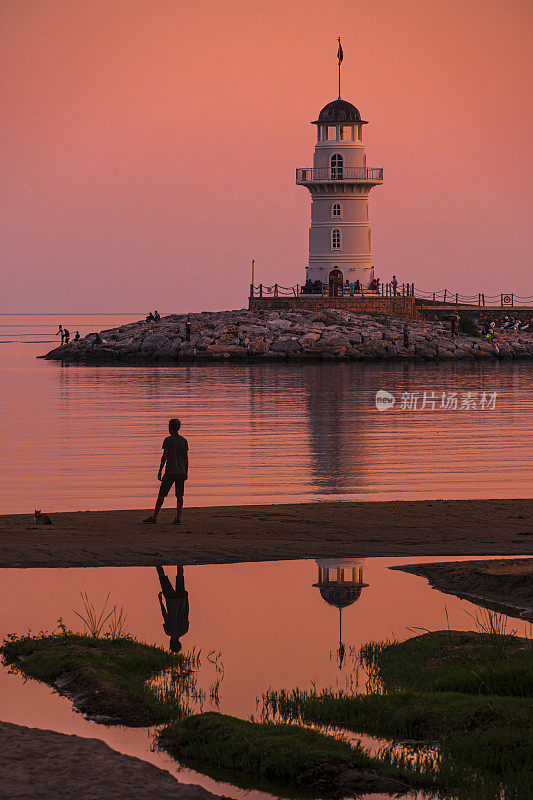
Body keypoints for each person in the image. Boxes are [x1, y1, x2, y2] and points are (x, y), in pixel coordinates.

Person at [143, 418, 188, 524]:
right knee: (179, 495)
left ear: (170, 428)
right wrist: (186, 471)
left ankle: (154, 516)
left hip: (170, 472)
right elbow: (186, 458)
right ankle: (178, 518)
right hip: (181, 472)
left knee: (162, 494)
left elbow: (165, 456)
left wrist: (160, 470)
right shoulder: (184, 441)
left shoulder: (167, 440)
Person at [156, 565, 189, 652]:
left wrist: (186, 599)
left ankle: (179, 562)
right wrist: (160, 601)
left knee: (180, 576)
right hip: (170, 601)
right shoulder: (168, 632)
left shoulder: (185, 630)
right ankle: (157, 563)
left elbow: (186, 613)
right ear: (171, 643)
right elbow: (165, 615)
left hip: (182, 599)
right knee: (162, 578)